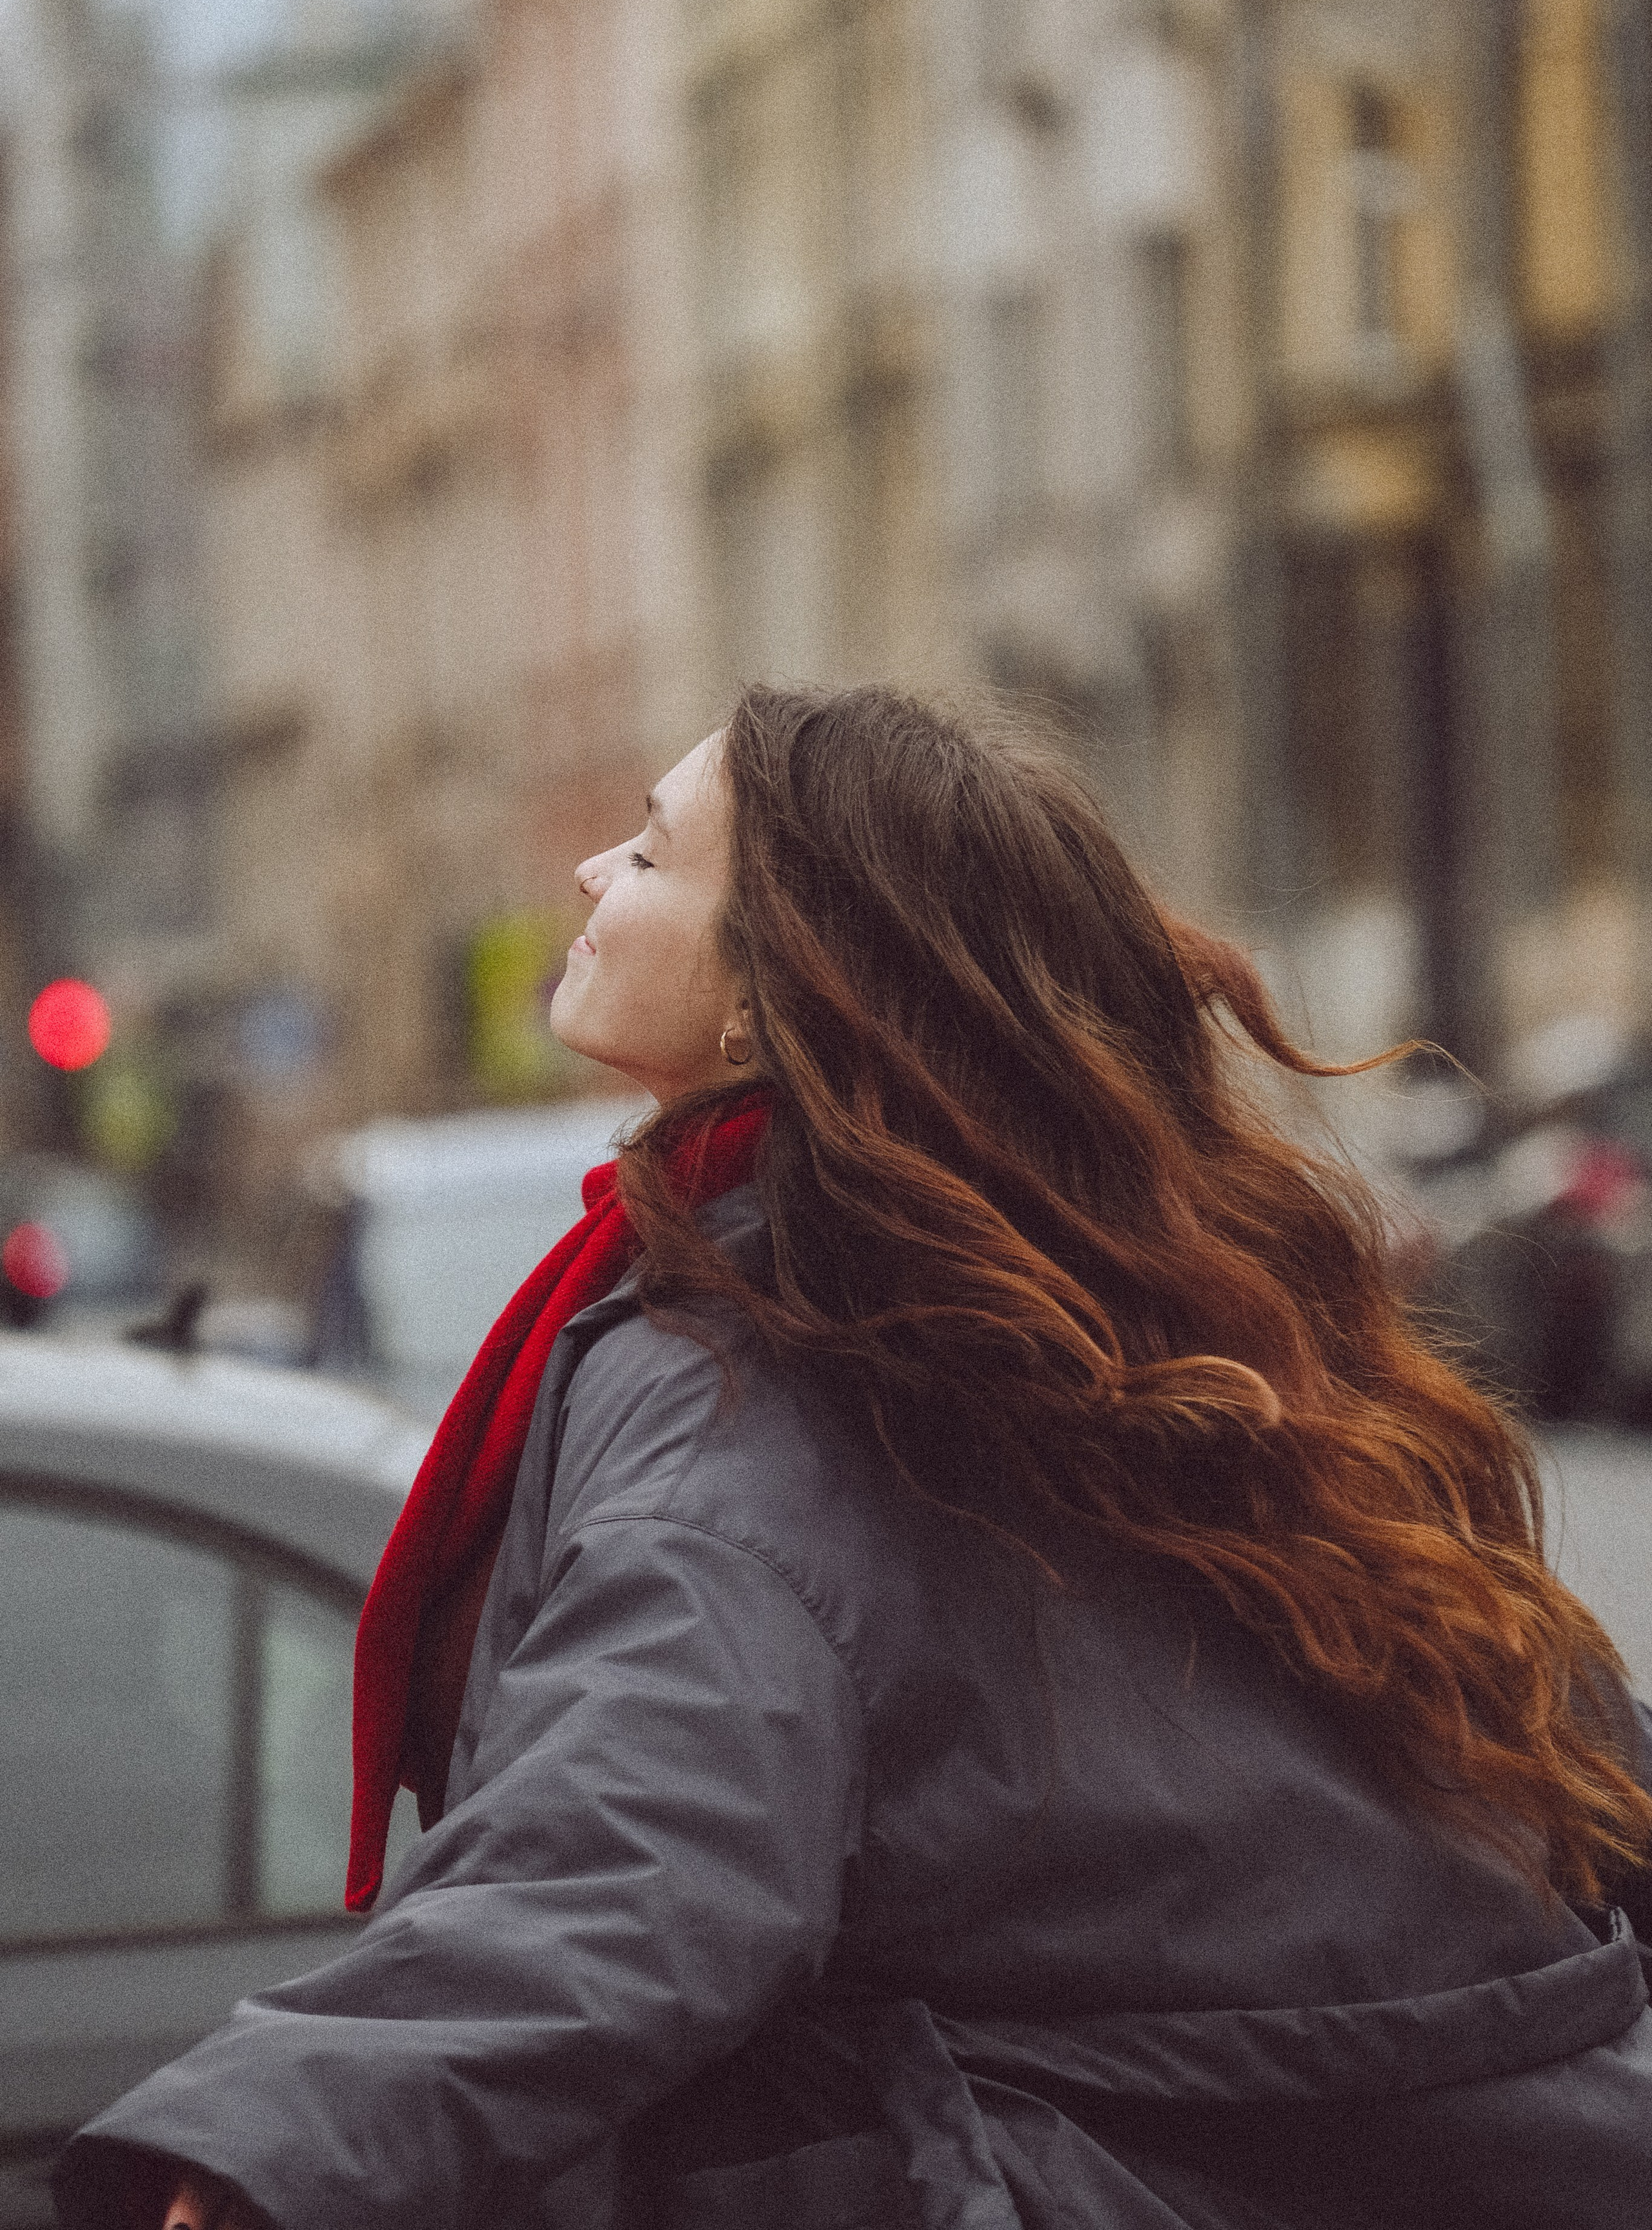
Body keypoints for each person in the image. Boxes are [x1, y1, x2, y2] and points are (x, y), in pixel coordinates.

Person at [56, 686, 1652, 2230]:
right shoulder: (1151, 1303)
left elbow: (627, 1856)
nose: (589, 873)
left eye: (652, 848)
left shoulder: (757, 1376)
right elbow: (1564, 1747)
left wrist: (273, 2142)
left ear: (778, 988)